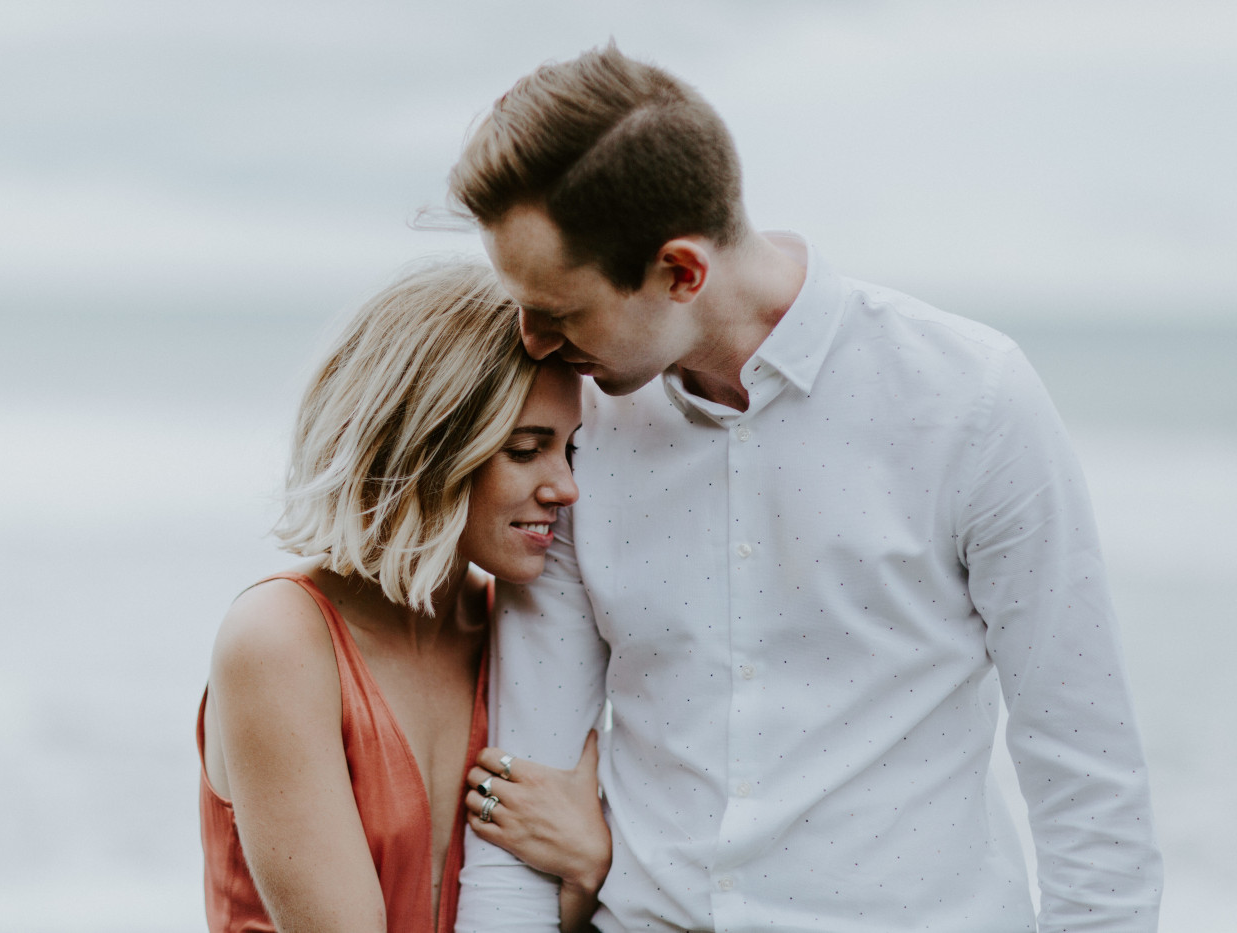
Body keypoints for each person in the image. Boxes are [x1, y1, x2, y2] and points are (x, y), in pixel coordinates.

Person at [449, 44, 1163, 932]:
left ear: (680, 271)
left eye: (559, 310)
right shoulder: (573, 440)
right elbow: (517, 803)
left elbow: (1086, 772)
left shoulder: (970, 399)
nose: (532, 340)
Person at [195, 260, 609, 933]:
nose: (565, 486)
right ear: (428, 444)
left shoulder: (523, 633)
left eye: (572, 450)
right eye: (527, 448)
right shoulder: (280, 639)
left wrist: (590, 865)